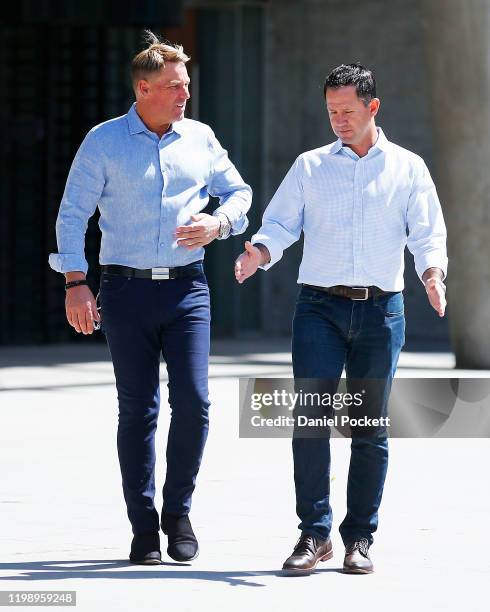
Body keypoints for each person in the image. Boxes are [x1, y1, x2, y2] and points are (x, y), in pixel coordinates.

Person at [235, 63, 447, 575]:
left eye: (348, 111)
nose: (338, 120)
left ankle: (359, 539)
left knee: (368, 426)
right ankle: (314, 534)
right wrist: (259, 252)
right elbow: (281, 222)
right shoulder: (310, 166)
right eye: (331, 111)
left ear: (373, 108)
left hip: (382, 310)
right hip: (318, 309)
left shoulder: (408, 167)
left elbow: (426, 232)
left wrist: (433, 274)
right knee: (309, 421)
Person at [49, 32, 252, 565]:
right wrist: (75, 281)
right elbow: (73, 214)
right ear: (144, 88)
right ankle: (143, 528)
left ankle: (177, 512)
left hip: (189, 289)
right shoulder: (103, 141)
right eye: (174, 86)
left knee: (196, 402)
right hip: (123, 291)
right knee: (138, 410)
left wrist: (219, 222)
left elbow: (240, 193)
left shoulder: (201, 138)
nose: (185, 94)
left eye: (186, 85)